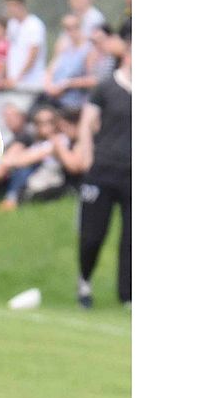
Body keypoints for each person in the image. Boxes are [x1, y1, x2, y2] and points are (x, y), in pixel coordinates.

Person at [52, 27, 131, 309]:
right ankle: (84, 281)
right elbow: (87, 123)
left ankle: (128, 296)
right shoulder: (107, 87)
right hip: (103, 170)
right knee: (93, 235)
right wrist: (86, 153)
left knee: (132, 237)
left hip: (133, 175)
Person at [40, 14, 95, 110]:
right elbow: (51, 69)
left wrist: (67, 84)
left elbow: (92, 79)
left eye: (75, 27)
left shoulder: (88, 50)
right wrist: (49, 85)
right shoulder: (63, 47)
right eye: (67, 28)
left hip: (73, 101)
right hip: (54, 97)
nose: (72, 31)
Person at [0, 0, 48, 92]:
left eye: (12, 6)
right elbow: (8, 53)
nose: (10, 9)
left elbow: (33, 55)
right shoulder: (12, 24)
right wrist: (4, 76)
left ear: (20, 5)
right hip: (13, 82)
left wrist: (18, 77)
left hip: (31, 84)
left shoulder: (34, 25)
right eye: (8, 6)